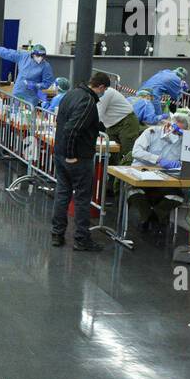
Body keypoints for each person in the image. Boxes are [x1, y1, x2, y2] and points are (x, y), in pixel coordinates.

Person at [50, 71, 108, 252]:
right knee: (82, 199)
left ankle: (57, 234)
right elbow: (72, 129)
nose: (103, 93)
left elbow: (64, 120)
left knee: (62, 194)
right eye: (104, 90)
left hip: (59, 153)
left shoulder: (71, 94)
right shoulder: (88, 102)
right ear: (100, 87)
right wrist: (71, 155)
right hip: (77, 157)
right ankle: (81, 239)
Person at [129, 113, 190, 236]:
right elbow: (136, 152)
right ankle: (148, 218)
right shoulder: (151, 132)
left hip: (165, 178)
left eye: (180, 133)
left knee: (178, 196)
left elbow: (186, 161)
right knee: (134, 192)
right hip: (143, 174)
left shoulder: (183, 141)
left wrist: (180, 164)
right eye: (176, 131)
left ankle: (153, 216)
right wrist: (157, 159)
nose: (177, 135)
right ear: (168, 125)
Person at [0, 41, 54, 106]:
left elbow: (48, 82)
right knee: (15, 116)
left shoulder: (45, 66)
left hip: (31, 97)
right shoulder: (23, 56)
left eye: (42, 56)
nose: (40, 58)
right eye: (38, 55)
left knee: (26, 117)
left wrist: (36, 85)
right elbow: (7, 53)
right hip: (18, 93)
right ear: (32, 54)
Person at [96, 82, 144, 170]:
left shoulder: (106, 93)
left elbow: (97, 115)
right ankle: (111, 181)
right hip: (111, 125)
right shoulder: (93, 95)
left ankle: (124, 182)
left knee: (126, 154)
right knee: (111, 155)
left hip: (126, 122)